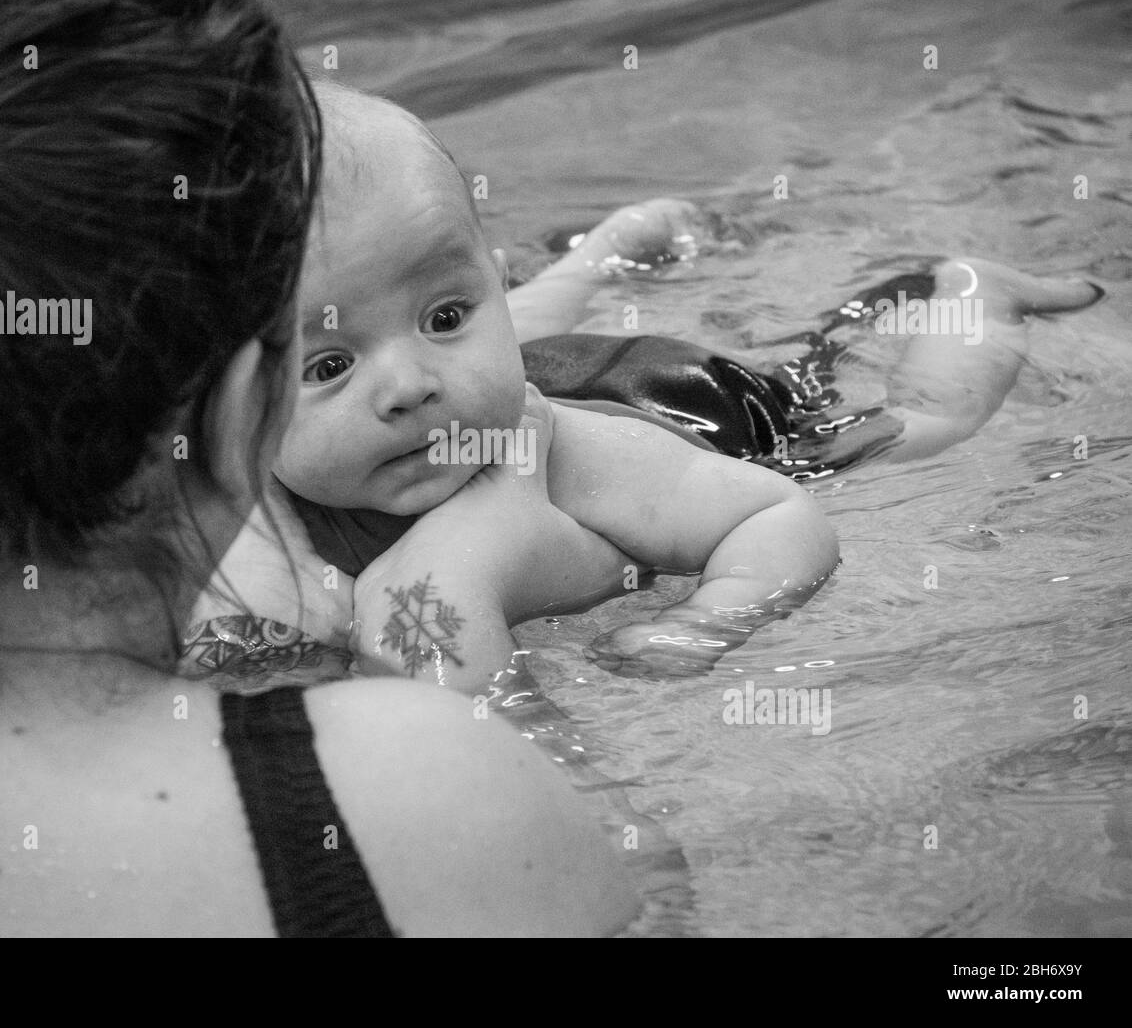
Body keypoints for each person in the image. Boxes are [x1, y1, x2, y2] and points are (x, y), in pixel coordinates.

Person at [0, 0, 638, 937]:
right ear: (244, 408)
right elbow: (647, 891)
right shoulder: (427, 811)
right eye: (323, 362)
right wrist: (472, 581)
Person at [257, 82, 1104, 689]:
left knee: (914, 427)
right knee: (466, 325)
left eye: (447, 313)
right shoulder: (243, 505)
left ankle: (974, 297)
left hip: (682, 403)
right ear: (230, 406)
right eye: (329, 365)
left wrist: (709, 618)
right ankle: (598, 257)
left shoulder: (571, 456)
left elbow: (776, 514)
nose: (406, 386)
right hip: (539, 351)